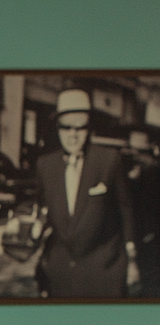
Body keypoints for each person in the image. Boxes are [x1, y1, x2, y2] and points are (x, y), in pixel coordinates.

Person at [32, 88, 138, 298]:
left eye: (80, 127)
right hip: (59, 275)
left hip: (104, 273)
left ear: (89, 129)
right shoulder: (45, 165)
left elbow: (126, 211)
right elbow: (42, 209)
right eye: (66, 127)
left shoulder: (109, 160)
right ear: (58, 128)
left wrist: (131, 260)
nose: (73, 134)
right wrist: (33, 228)